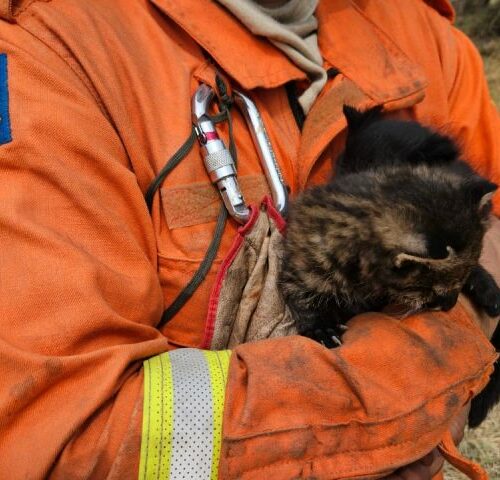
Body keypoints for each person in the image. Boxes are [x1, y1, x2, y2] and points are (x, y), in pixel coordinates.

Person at [0, 0, 498, 478]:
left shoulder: (426, 36)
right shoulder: (49, 52)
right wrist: (412, 396)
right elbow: (61, 439)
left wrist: (454, 325)